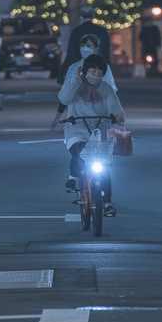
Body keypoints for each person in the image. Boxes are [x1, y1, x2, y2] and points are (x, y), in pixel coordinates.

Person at [58, 52, 124, 217]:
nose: (96, 75)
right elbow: (64, 99)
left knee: (104, 169)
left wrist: (119, 115)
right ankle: (73, 175)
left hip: (99, 129)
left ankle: (107, 203)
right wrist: (76, 80)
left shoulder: (106, 87)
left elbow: (113, 102)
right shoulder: (76, 84)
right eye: (93, 71)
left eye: (100, 72)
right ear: (85, 70)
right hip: (77, 127)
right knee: (79, 152)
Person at [51, 33, 116, 128]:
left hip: (99, 117)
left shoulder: (104, 68)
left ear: (96, 49)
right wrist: (57, 117)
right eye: (82, 46)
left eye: (88, 46)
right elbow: (65, 94)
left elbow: (111, 91)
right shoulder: (74, 68)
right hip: (77, 118)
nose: (85, 48)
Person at [59, 6, 111, 82]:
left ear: (81, 16)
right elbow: (106, 52)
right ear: (93, 16)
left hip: (80, 67)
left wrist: (65, 71)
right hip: (98, 66)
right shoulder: (102, 31)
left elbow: (71, 52)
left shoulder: (77, 31)